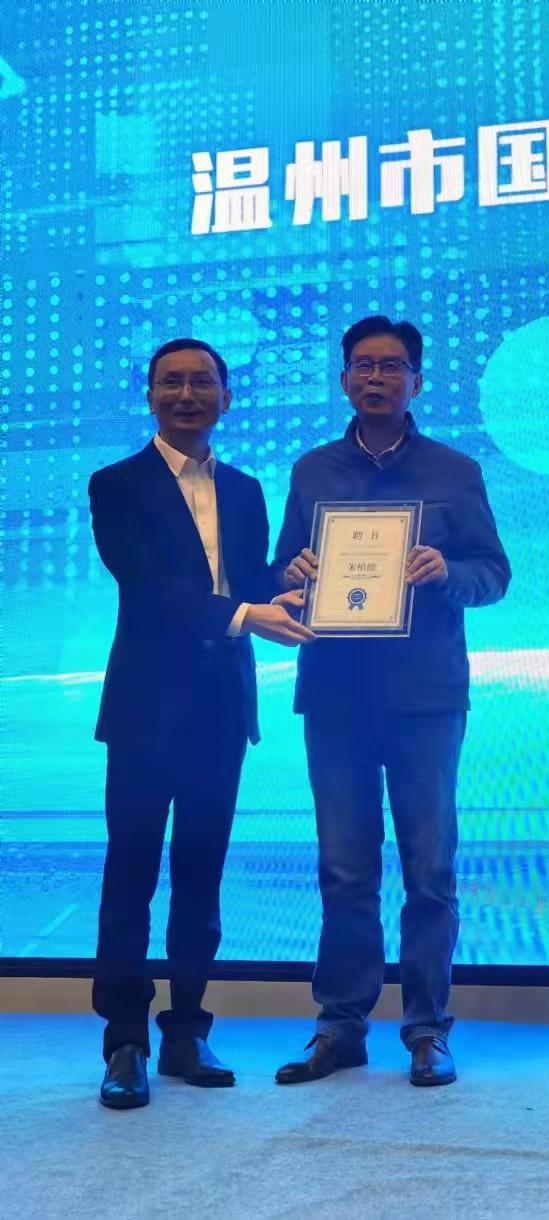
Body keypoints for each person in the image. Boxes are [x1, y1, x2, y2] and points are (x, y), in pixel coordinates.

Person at [272, 315, 510, 1088]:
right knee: (344, 872)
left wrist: (447, 571)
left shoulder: (454, 471)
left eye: (392, 366)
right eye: (363, 365)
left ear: (417, 380)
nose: (376, 377)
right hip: (335, 696)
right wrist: (290, 573)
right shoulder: (312, 470)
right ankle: (340, 1027)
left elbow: (493, 574)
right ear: (344, 377)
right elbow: (280, 572)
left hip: (425, 697)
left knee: (428, 870)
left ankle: (426, 1029)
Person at [89, 338, 314, 1110]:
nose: (186, 394)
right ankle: (125, 1041)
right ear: (150, 395)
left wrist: (291, 582)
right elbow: (150, 589)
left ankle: (186, 1029)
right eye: (171, 382)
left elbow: (246, 582)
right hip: (145, 709)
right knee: (130, 876)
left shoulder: (245, 489)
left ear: (226, 396)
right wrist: (249, 613)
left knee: (200, 875)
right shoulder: (116, 484)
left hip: (221, 708)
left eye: (201, 382)